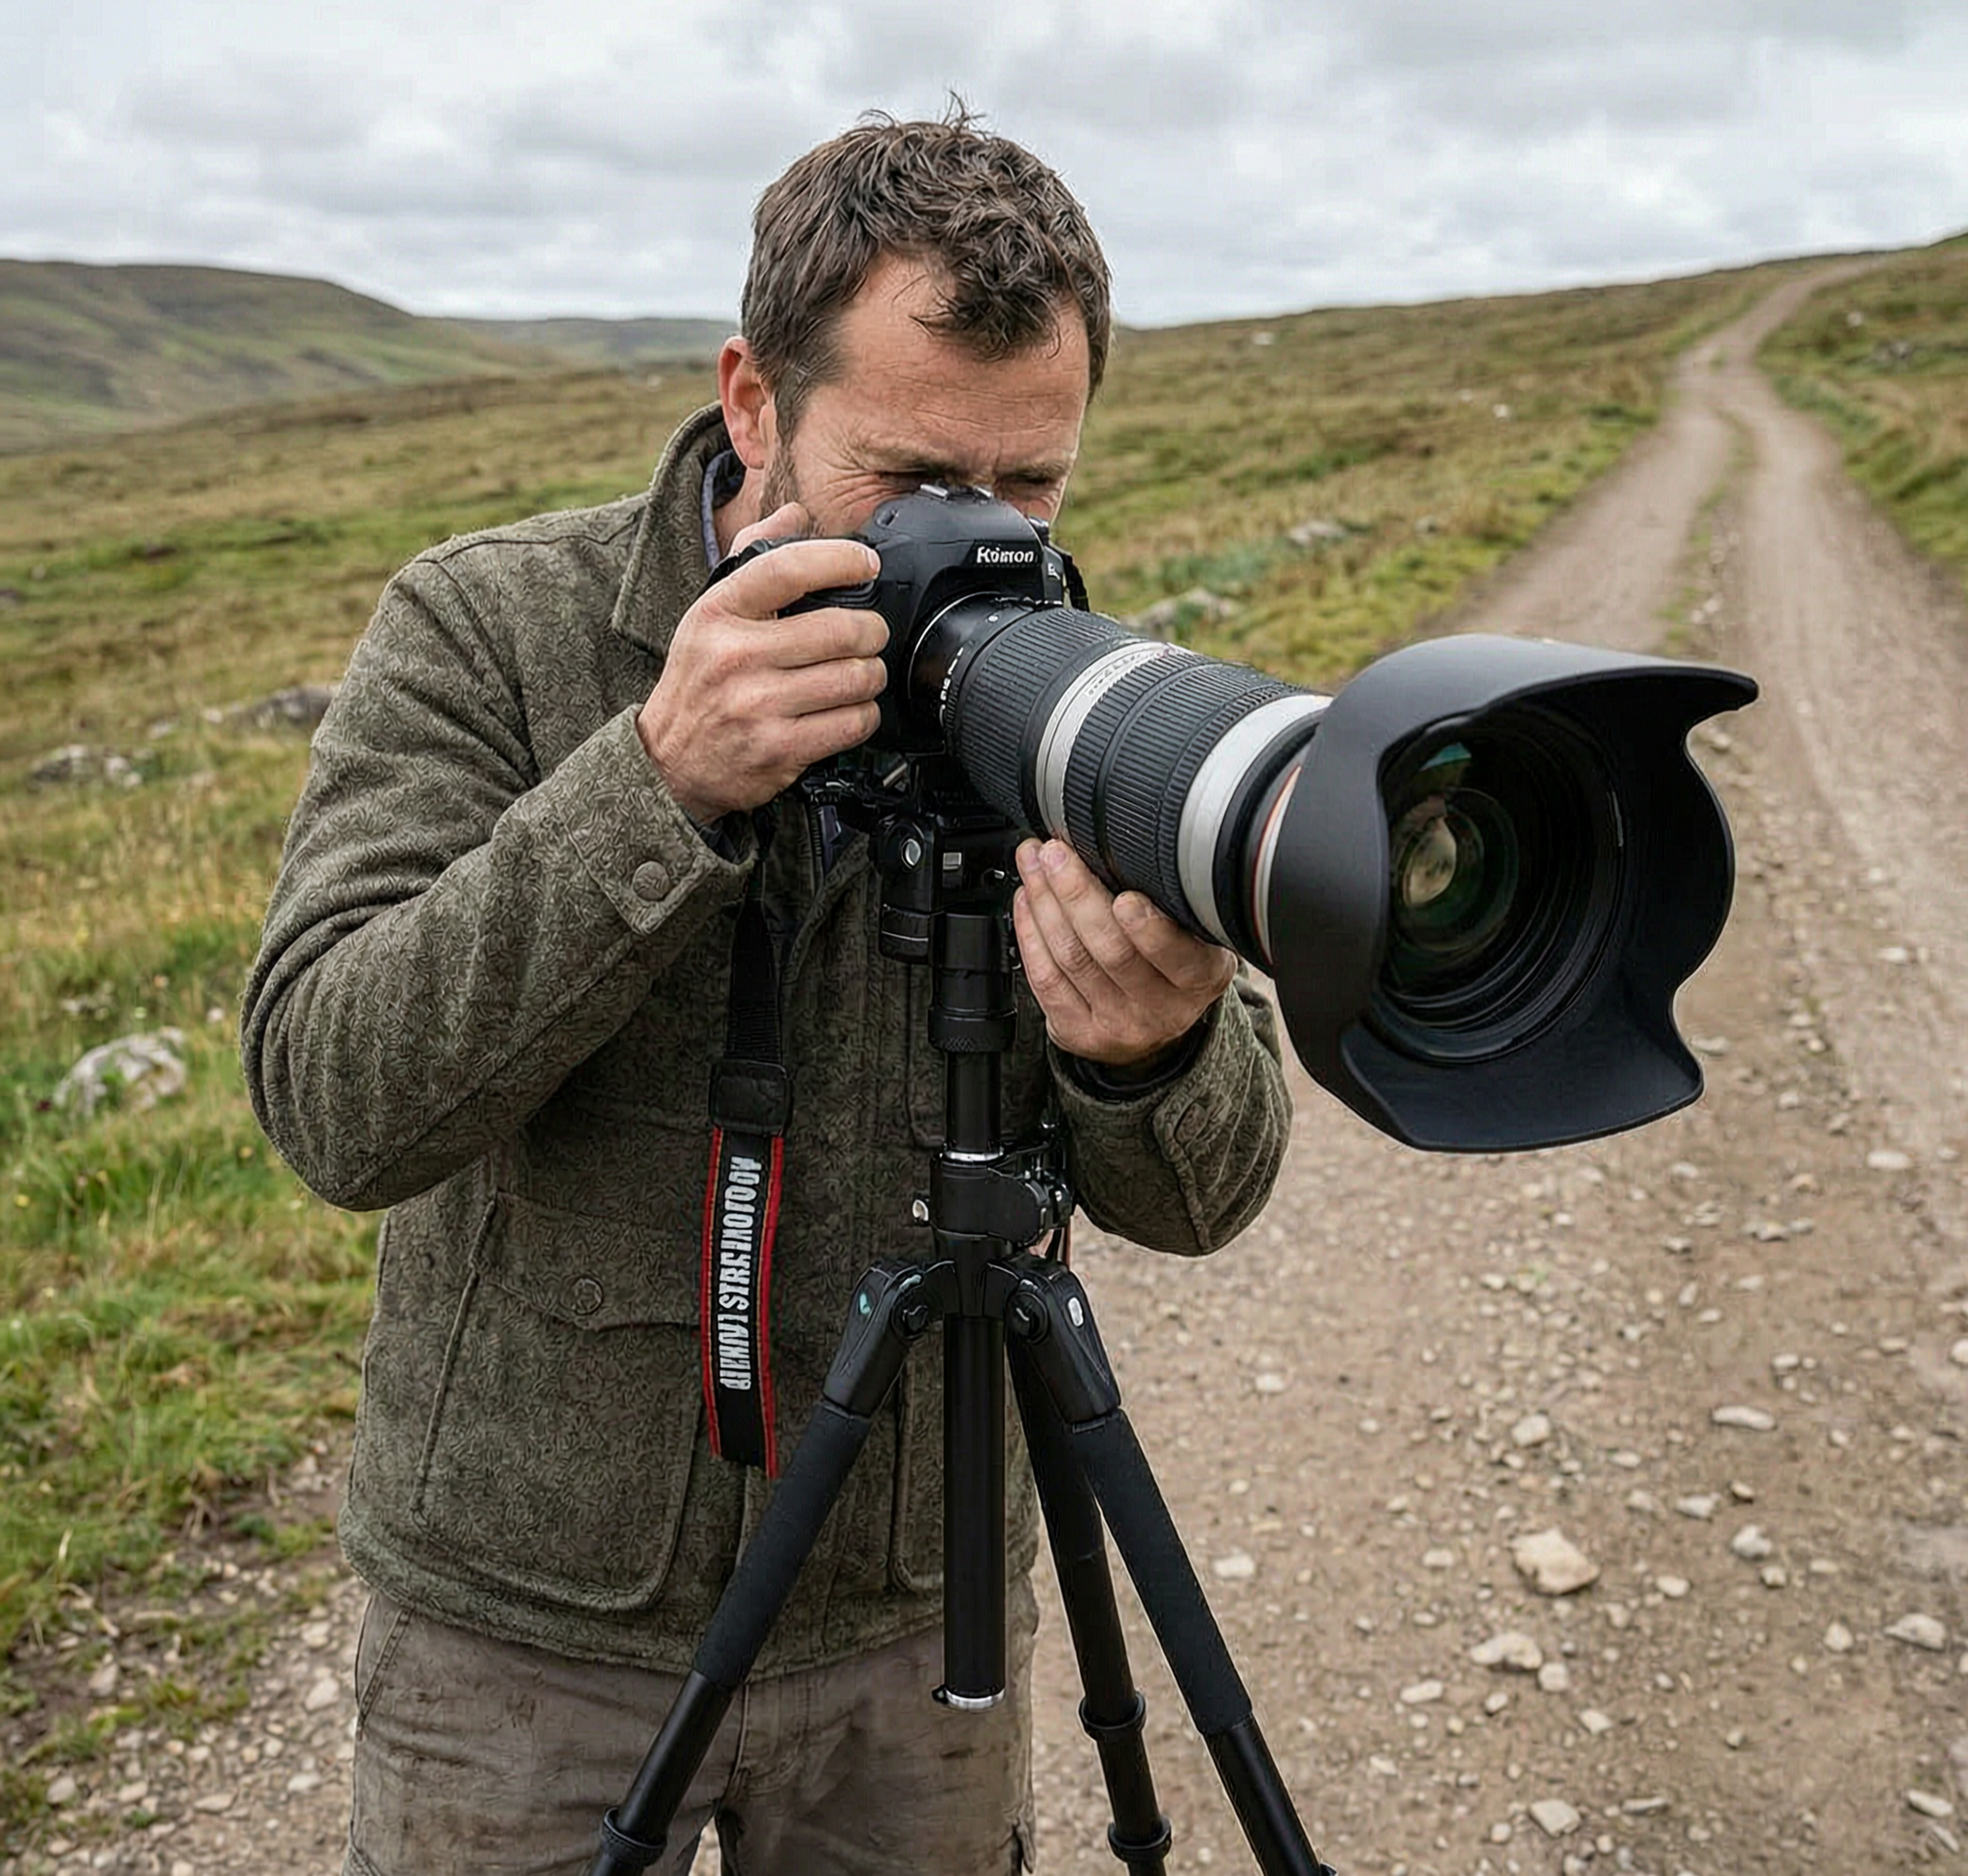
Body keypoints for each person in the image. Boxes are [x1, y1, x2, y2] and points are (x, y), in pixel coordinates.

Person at [243, 109, 1291, 1876]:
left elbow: (1208, 1197)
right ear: (753, 401)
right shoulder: (494, 630)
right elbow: (336, 1097)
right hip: (531, 1632)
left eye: (1032, 483)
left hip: (912, 1617)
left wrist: (1152, 1048)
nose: (983, 532)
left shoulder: (1061, 697)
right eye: (910, 478)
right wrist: (653, 783)